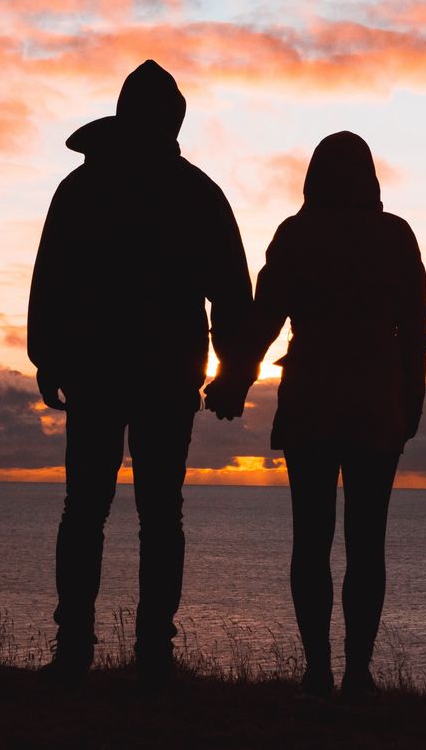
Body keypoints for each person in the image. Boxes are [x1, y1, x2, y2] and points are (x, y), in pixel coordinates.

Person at [28, 60, 256, 687]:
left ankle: (84, 647)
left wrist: (47, 354)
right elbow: (232, 294)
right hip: (155, 372)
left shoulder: (83, 189)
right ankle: (144, 650)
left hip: (107, 369)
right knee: (154, 513)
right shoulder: (195, 192)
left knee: (91, 510)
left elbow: (50, 278)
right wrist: (232, 372)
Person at [249, 132, 426, 702]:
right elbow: (416, 337)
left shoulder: (296, 234)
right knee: (366, 543)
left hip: (312, 403)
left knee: (311, 541)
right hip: (378, 405)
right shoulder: (396, 236)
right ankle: (355, 675)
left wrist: (233, 380)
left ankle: (320, 672)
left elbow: (263, 321)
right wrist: (411, 409)